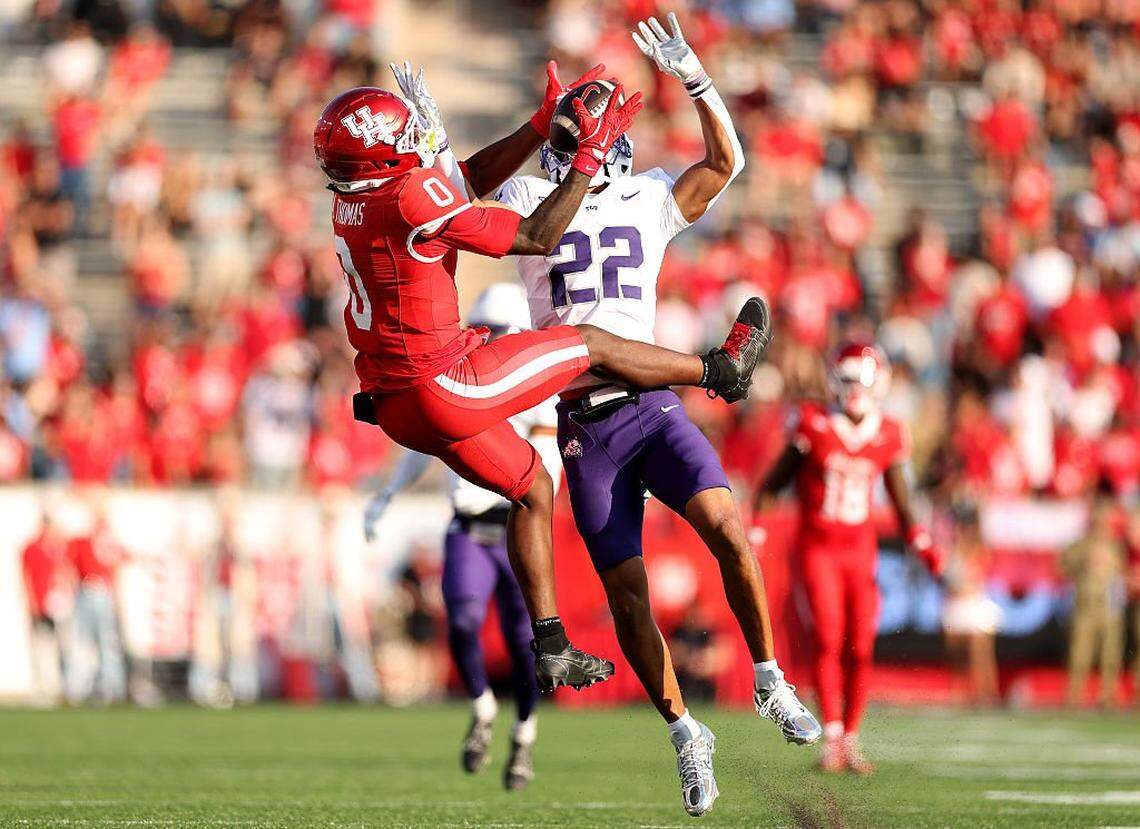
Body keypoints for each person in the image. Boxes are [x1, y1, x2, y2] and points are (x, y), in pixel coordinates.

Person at [316, 63, 771, 695]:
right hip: (445, 384)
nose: (415, 141)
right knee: (586, 344)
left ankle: (552, 645)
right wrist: (584, 157)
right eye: (404, 139)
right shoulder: (411, 194)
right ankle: (718, 370)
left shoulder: (354, 199)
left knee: (531, 484)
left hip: (395, 403)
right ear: (386, 154)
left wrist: (536, 126)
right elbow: (533, 233)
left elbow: (463, 185)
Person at [494, 15, 818, 816]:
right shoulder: (533, 195)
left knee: (728, 529)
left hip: (651, 403)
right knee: (628, 598)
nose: (574, 141)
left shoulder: (643, 196)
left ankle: (771, 679)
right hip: (583, 422)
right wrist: (546, 129)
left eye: (581, 130)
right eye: (570, 131)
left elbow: (725, 162)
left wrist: (698, 79)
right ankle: (685, 733)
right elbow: (481, 203)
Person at [364, 284, 555, 792]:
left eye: (503, 329)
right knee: (465, 622)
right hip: (467, 530)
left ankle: (525, 734)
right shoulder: (457, 379)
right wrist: (387, 493)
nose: (493, 339)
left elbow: (550, 459)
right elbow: (421, 442)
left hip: (515, 527)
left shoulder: (533, 390)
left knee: (524, 642)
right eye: (486, 327)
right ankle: (483, 708)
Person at [753, 341, 944, 775]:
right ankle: (833, 739)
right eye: (848, 379)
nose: (854, 388)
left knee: (861, 644)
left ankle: (851, 740)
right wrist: (757, 529)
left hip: (860, 550)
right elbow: (772, 483)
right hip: (818, 547)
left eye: (861, 379)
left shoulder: (889, 431)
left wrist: (920, 539)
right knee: (826, 636)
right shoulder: (813, 421)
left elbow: (899, 495)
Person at [1061, 497, 1127, 708]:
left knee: (1110, 652)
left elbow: (1124, 571)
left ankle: (1108, 693)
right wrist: (1084, 561)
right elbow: (1062, 565)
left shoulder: (1117, 545)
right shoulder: (1081, 545)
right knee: (1080, 652)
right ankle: (1075, 693)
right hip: (1086, 606)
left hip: (1109, 606)